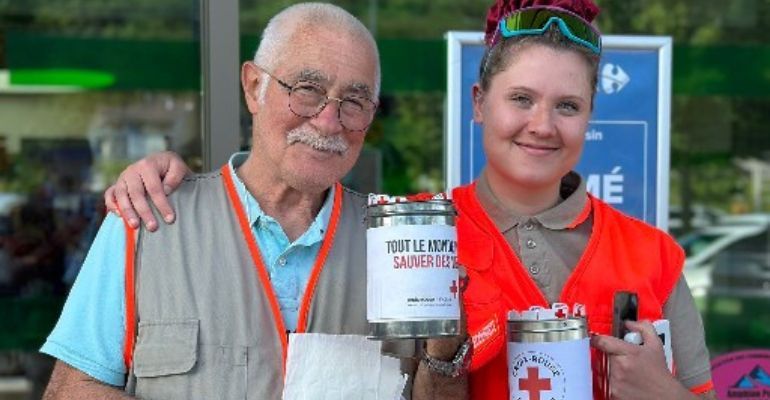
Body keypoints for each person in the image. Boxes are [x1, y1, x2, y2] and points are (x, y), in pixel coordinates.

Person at [104, 0, 718, 399]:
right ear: (478, 103)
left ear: (590, 117)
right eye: (521, 99)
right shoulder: (404, 231)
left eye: (568, 106)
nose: (542, 125)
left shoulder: (652, 254)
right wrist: (171, 177)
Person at [40, 3, 469, 399]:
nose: (328, 121)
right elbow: (69, 391)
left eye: (354, 102)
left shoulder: (397, 244)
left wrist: (444, 350)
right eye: (307, 89)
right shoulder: (146, 220)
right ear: (253, 86)